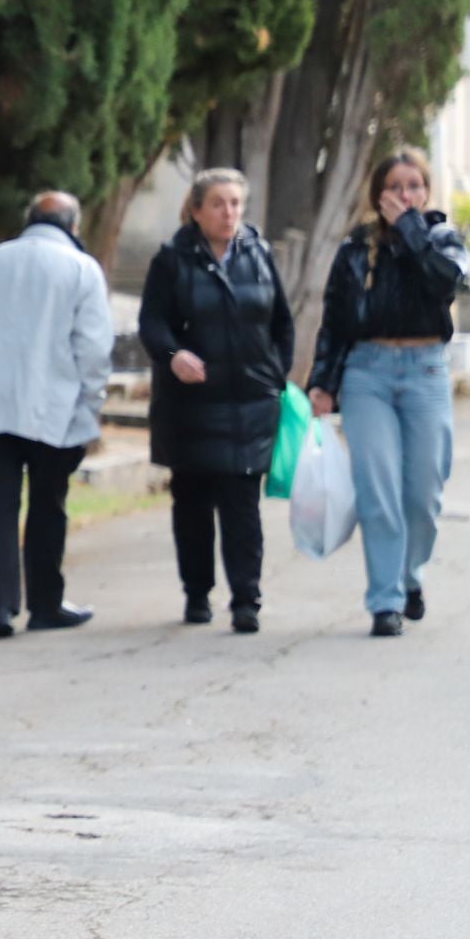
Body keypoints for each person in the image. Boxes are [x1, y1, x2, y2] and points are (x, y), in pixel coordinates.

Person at [308, 148, 466, 637]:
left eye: (414, 186)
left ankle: (410, 575)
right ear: (378, 194)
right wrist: (323, 381)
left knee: (423, 494)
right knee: (378, 492)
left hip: (425, 373)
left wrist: (411, 231)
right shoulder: (355, 249)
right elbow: (334, 320)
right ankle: (384, 601)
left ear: (427, 191)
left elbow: (445, 283)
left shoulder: (441, 238)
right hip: (367, 374)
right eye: (395, 187)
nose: (405, 195)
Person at [138, 169, 294, 634]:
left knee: (242, 502)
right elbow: (153, 325)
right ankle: (197, 593)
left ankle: (247, 599)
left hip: (249, 401)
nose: (230, 213)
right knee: (191, 502)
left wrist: (275, 373)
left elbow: (281, 324)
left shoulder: (258, 254)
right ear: (196, 210)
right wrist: (174, 355)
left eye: (236, 203)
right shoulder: (171, 260)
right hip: (190, 404)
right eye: (219, 204)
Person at [0, 191, 114, 640]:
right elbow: (95, 349)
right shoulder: (81, 269)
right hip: (55, 409)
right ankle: (45, 603)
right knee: (49, 507)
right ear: (74, 225)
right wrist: (91, 406)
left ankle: (1, 609)